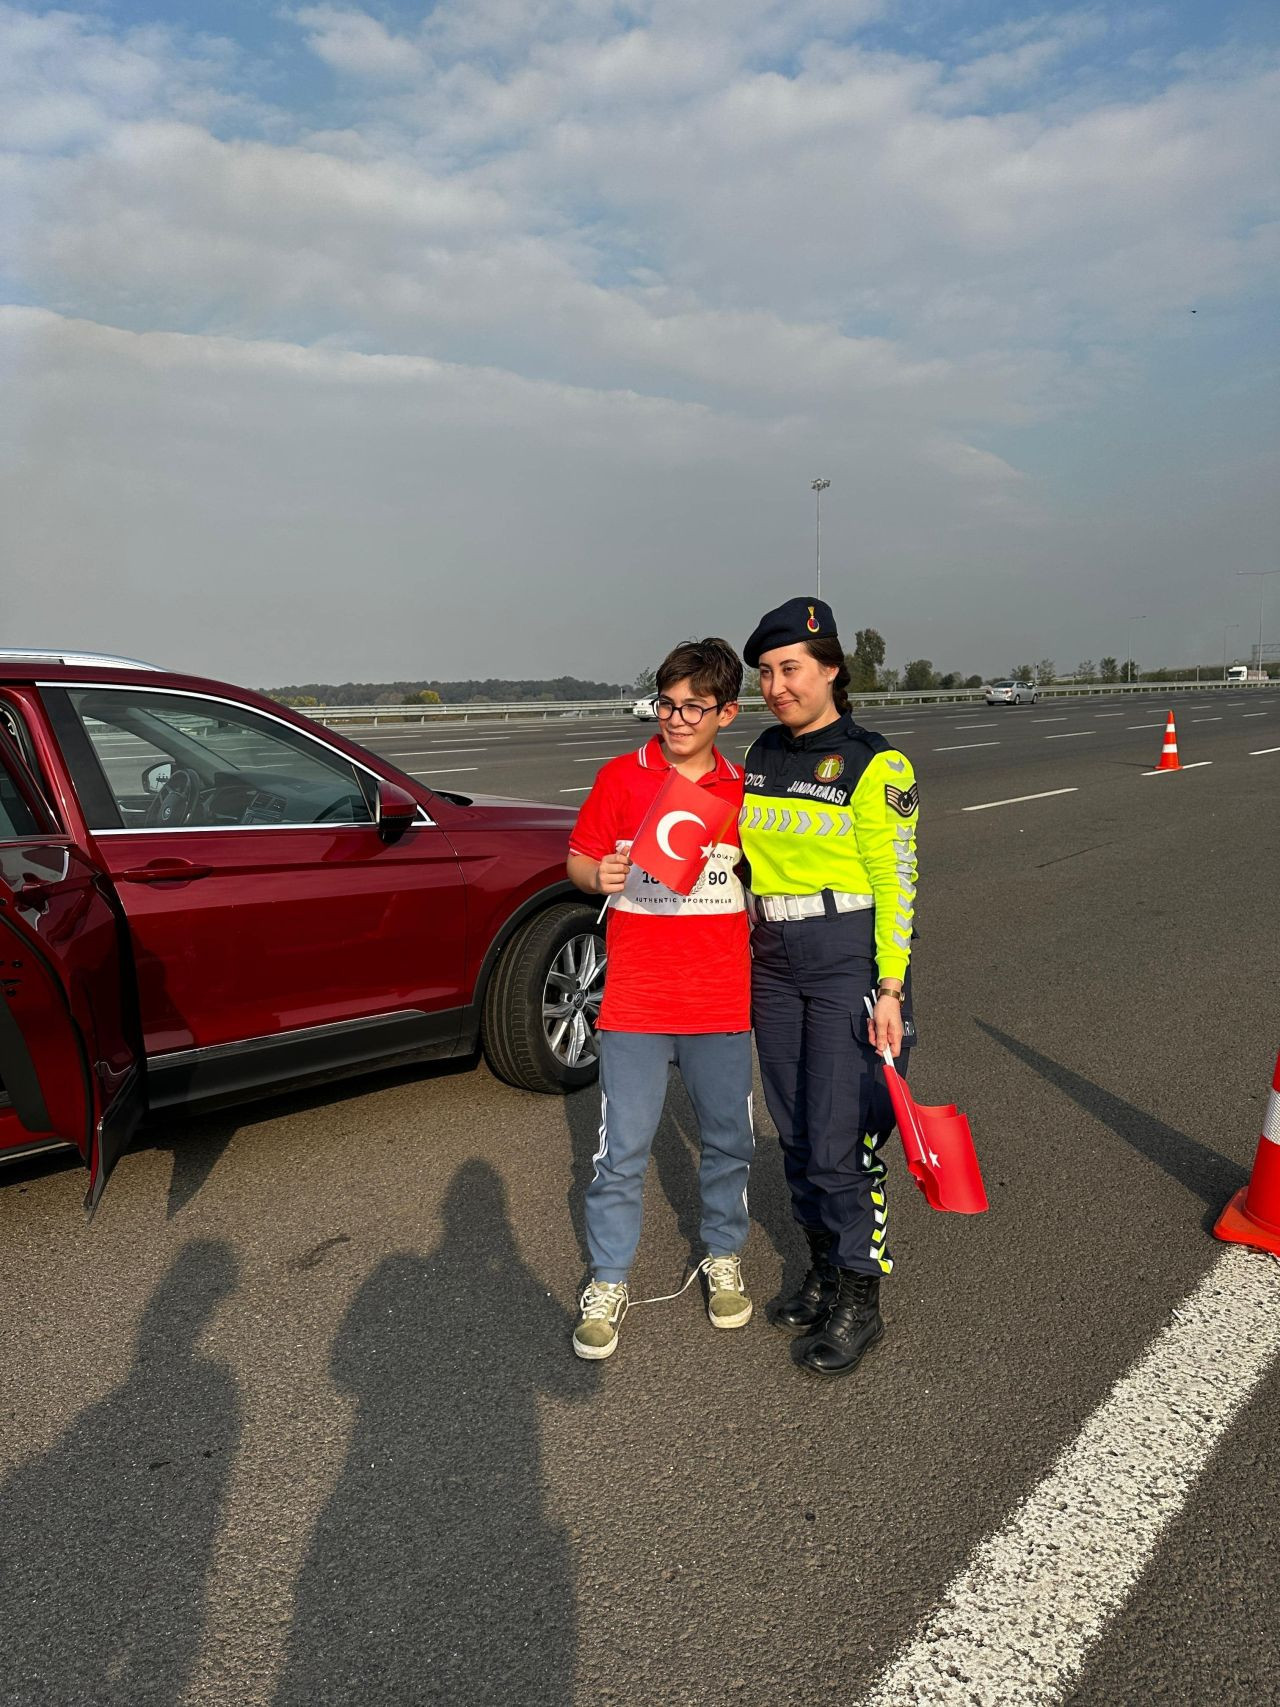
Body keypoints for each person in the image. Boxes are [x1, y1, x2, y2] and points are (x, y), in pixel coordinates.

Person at [738, 596, 918, 1379]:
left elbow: (896, 878)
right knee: (798, 1130)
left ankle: (860, 1297)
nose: (776, 686)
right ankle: (821, 1269)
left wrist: (891, 987)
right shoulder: (761, 754)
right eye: (767, 673)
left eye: (791, 669)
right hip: (772, 953)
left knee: (841, 1138)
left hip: (846, 951)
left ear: (832, 669)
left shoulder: (878, 764)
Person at [566, 637, 754, 1360]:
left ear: (726, 712)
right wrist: (598, 872)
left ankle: (722, 1254)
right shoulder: (621, 776)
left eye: (693, 708)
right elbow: (579, 858)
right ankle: (609, 1279)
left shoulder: (743, 789)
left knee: (729, 1141)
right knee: (621, 1151)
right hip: (637, 1003)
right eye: (666, 704)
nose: (675, 720)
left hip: (718, 1003)